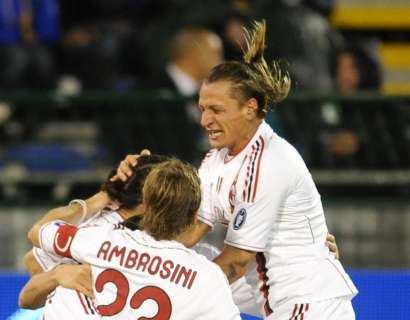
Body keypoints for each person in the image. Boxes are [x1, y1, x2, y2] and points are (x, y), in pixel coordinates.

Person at [115, 21, 357, 319]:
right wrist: (131, 248)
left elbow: (235, 262)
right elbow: (189, 228)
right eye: (203, 109)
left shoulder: (268, 160)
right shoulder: (217, 159)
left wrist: (171, 293)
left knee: (194, 273)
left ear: (250, 109)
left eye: (216, 110)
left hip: (310, 302)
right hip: (272, 290)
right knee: (190, 258)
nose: (205, 120)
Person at [28, 158, 241, 319]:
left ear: (147, 203)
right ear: (196, 213)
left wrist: (104, 195)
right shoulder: (207, 276)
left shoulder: (99, 239)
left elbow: (40, 231)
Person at [17, 155, 169, 319]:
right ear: (149, 199)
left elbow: (33, 257)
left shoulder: (101, 224)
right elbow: (33, 261)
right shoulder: (99, 231)